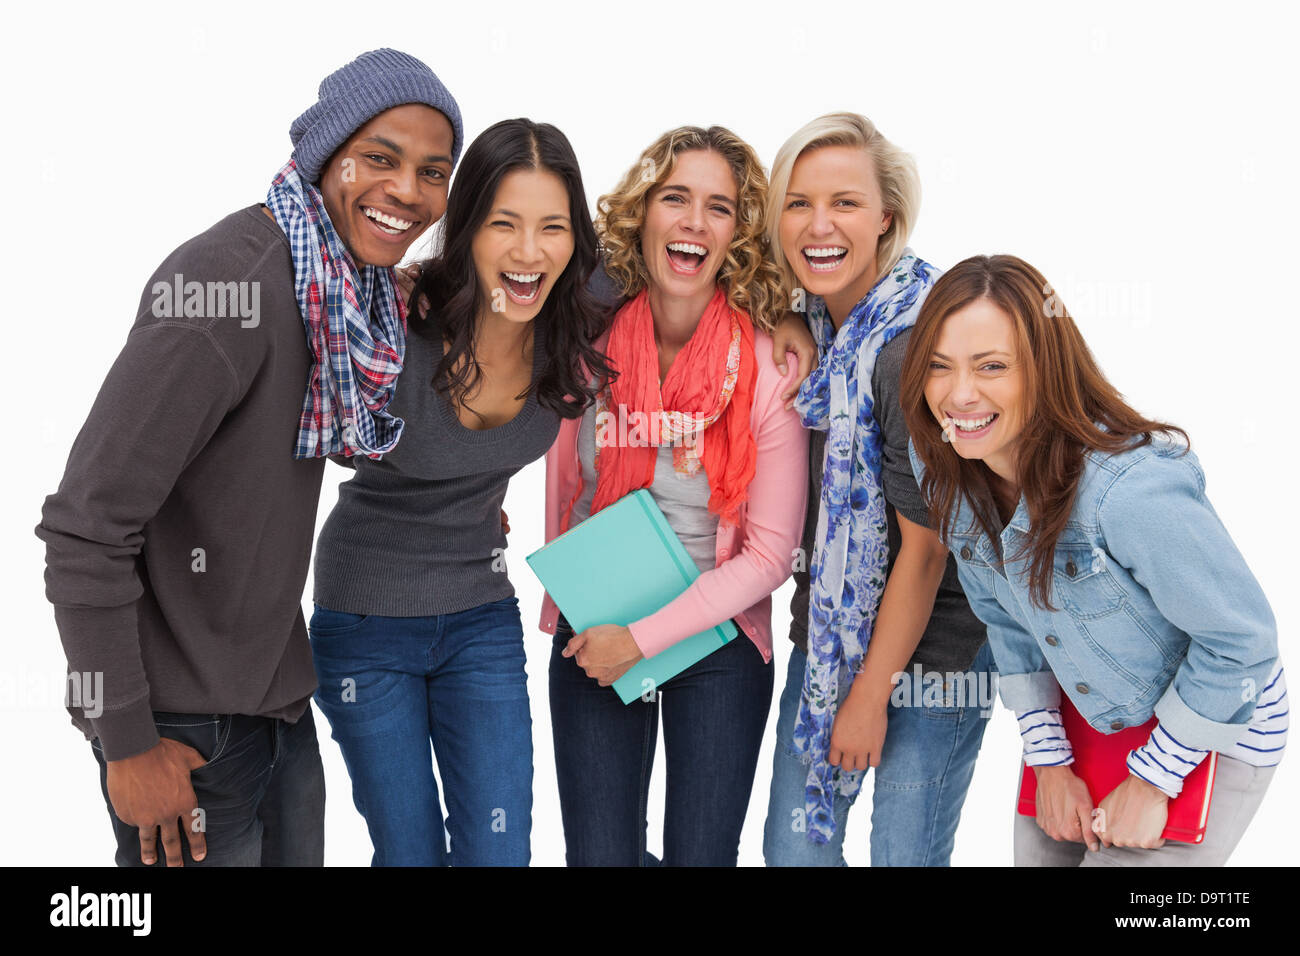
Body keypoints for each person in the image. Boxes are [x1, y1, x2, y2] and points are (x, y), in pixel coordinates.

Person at [35, 48, 463, 867]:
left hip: (274, 708)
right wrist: (126, 743)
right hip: (178, 730)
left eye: (432, 172)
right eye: (380, 158)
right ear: (323, 155)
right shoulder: (229, 286)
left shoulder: (341, 291)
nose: (408, 191)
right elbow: (84, 528)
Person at [900, 253, 1286, 865]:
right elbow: (1005, 624)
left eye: (992, 366)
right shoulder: (948, 468)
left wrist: (1156, 779)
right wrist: (1049, 762)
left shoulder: (1128, 488)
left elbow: (1242, 642)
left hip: (1212, 723)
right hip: (1088, 714)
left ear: (1044, 371)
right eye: (939, 367)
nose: (960, 394)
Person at [309, 118, 611, 866]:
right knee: (410, 855)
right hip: (366, 616)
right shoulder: (394, 320)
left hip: (480, 614)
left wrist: (793, 326)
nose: (528, 251)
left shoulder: (574, 314)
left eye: (553, 226)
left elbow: (692, 268)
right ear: (466, 227)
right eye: (503, 223)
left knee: (498, 851)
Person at [540, 125, 811, 866]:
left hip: (719, 638)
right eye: (676, 198)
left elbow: (770, 554)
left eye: (718, 207)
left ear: (738, 235)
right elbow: (498, 282)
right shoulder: (584, 338)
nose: (694, 220)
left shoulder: (768, 365)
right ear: (644, 214)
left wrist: (646, 640)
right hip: (599, 625)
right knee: (600, 856)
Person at [759, 113, 994, 865]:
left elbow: (924, 552)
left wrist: (867, 696)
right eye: (797, 203)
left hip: (939, 649)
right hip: (828, 633)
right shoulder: (814, 330)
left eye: (845, 203)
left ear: (887, 217)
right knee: (794, 852)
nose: (818, 224)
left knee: (904, 855)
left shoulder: (909, 349)